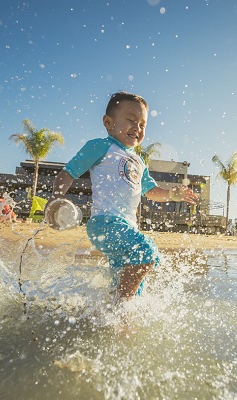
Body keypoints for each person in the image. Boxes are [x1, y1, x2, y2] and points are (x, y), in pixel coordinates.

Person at [49, 91, 198, 302]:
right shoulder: (100, 146)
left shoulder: (139, 161)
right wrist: (56, 198)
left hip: (126, 228)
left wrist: (173, 194)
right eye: (131, 121)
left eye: (143, 125)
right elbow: (67, 173)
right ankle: (121, 313)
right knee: (146, 253)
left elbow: (151, 191)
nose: (137, 128)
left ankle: (110, 317)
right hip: (106, 223)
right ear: (108, 122)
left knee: (132, 284)